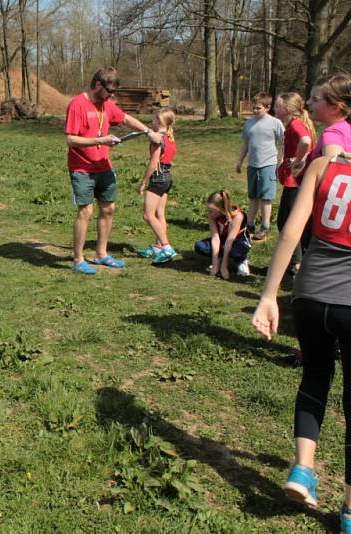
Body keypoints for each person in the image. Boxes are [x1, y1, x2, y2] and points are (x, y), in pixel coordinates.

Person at [252, 154, 351, 530]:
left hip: (309, 296)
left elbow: (292, 232)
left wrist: (268, 295)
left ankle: (303, 469)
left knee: (315, 377)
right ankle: (349, 511)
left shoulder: (324, 165)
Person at [65, 66, 163, 275]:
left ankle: (101, 253)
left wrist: (148, 131)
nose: (111, 96)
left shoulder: (107, 105)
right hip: (82, 167)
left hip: (104, 166)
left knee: (108, 209)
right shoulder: (77, 104)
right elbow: (71, 139)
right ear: (98, 85)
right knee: (86, 211)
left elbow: (125, 119)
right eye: (109, 91)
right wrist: (101, 140)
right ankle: (78, 259)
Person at [295, 74, 351, 254]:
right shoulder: (346, 129)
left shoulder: (332, 135)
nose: (307, 102)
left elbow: (334, 176)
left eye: (315, 99)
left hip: (327, 229)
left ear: (335, 107)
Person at [273, 92, 315, 274]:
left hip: (296, 181)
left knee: (287, 221)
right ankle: (297, 262)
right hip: (293, 180)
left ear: (287, 109)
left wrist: (298, 160)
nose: (275, 108)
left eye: (277, 105)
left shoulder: (296, 124)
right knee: (286, 221)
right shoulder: (291, 124)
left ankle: (296, 264)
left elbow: (306, 141)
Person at [235, 92, 284, 241]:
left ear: (268, 107)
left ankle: (265, 226)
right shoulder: (249, 123)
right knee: (253, 197)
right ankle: (249, 225)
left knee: (265, 198)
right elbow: (246, 144)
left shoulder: (275, 123)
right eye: (253, 108)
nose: (255, 111)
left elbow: (284, 142)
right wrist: (240, 161)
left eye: (258, 108)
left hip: (268, 165)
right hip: (252, 165)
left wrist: (280, 160)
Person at [137, 107, 177, 264]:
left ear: (159, 122)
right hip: (167, 177)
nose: (151, 121)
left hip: (158, 178)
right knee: (160, 214)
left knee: (148, 215)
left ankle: (166, 247)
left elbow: (154, 163)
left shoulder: (157, 140)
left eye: (154, 119)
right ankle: (157, 246)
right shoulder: (170, 138)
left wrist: (144, 181)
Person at [194, 190, 251, 279]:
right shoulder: (211, 215)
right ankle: (218, 259)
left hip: (237, 241)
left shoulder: (238, 216)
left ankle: (241, 260)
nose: (210, 213)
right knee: (200, 246)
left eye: (212, 210)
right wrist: (215, 265)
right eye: (209, 210)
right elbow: (215, 238)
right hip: (222, 239)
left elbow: (229, 241)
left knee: (236, 251)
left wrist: (224, 267)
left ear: (221, 209)